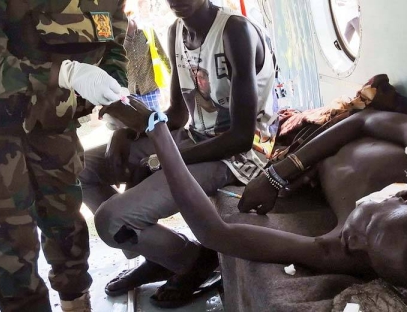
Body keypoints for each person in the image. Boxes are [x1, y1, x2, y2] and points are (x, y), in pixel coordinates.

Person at [99, 100, 407, 292]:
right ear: (406, 197)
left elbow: (216, 233)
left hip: (308, 172)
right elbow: (361, 119)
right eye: (368, 225)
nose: (350, 239)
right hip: (305, 151)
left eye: (363, 252)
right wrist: (282, 172)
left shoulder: (356, 250)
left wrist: (160, 132)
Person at [79, 0, 277, 307]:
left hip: (239, 157)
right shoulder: (176, 32)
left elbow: (240, 137)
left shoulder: (235, 32)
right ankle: (162, 255)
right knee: (82, 169)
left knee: (112, 221)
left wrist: (162, 160)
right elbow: (178, 114)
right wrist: (125, 130)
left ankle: (195, 261)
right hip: (193, 137)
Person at [0, 1, 128, 311]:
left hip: (52, 123)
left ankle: (77, 303)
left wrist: (115, 85)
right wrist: (63, 73)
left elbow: (112, 43)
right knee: (12, 251)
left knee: (66, 223)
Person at [123, 0, 170, 111]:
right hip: (130, 94)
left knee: (156, 123)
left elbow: (163, 57)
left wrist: (174, 82)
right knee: (135, 127)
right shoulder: (118, 39)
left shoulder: (148, 32)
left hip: (150, 91)